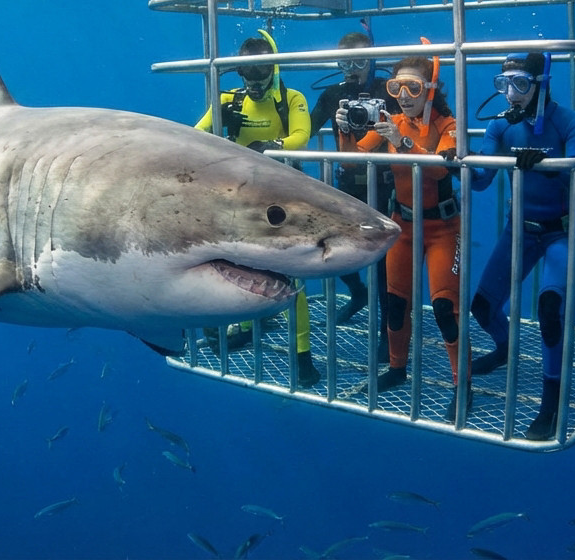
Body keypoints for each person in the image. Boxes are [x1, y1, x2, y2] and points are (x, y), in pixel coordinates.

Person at [468, 52, 575, 440]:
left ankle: (550, 404)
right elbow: (482, 179)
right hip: (519, 229)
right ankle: (506, 348)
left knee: (550, 311)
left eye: (520, 84)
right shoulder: (501, 127)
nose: (510, 94)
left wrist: (550, 164)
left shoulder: (570, 123)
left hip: (563, 231)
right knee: (482, 307)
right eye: (503, 85)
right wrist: (458, 162)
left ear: (542, 83)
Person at [195, 30, 321, 388]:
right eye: (245, 75)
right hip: (239, 199)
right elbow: (195, 135)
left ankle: (303, 353)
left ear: (274, 70)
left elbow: (302, 134)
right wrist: (219, 130)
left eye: (260, 74)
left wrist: (273, 145)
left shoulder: (290, 98)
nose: (252, 84)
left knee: (291, 279)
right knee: (243, 267)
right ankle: (247, 327)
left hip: (281, 201)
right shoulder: (228, 100)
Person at [346, 56, 467, 421]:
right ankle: (397, 369)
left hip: (444, 229)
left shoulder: (449, 124)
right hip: (403, 224)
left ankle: (463, 387)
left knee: (446, 308)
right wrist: (345, 131)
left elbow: (445, 165)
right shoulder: (390, 122)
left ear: (430, 90)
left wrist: (402, 143)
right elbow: (352, 160)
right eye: (395, 87)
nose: (403, 95)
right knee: (396, 303)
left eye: (413, 87)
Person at [309, 30, 398, 325]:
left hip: (386, 185)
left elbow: (408, 125)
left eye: (359, 61)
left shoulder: (389, 90)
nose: (351, 70)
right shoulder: (332, 94)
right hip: (348, 184)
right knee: (334, 247)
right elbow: (307, 128)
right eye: (344, 63)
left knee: (386, 263)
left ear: (371, 60)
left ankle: (388, 330)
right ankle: (358, 292)